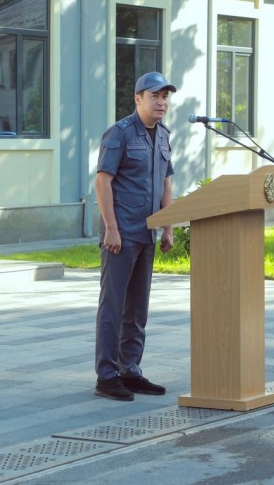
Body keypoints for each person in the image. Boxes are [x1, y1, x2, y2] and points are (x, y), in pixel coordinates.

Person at [94, 71, 176, 402]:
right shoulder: (120, 133)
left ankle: (130, 369)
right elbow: (103, 181)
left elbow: (166, 182)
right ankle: (107, 374)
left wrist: (168, 225)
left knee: (137, 307)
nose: (161, 102)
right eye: (154, 95)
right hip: (121, 232)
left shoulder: (164, 135)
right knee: (113, 306)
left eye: (165, 96)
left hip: (147, 233)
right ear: (138, 98)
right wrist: (111, 227)